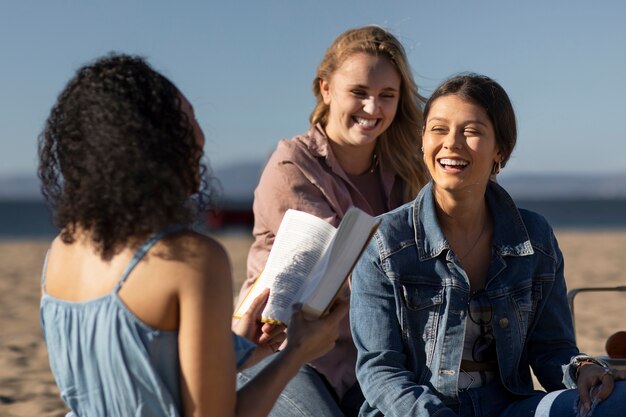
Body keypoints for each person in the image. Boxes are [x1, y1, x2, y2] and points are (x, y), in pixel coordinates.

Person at [38, 53, 348, 417]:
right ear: (148, 144)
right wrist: (297, 352)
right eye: (184, 117)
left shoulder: (61, 250)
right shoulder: (191, 260)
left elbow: (132, 374)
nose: (199, 129)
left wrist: (236, 350)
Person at [349, 73, 626, 417]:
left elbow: (551, 350)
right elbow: (380, 371)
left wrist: (583, 370)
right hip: (419, 412)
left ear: (500, 150)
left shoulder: (534, 238)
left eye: (472, 131)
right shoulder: (385, 241)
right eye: (438, 129)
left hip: (509, 408)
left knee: (619, 398)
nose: (452, 143)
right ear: (422, 142)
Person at [236, 25, 429, 417]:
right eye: (358, 93)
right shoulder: (292, 165)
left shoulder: (405, 170)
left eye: (386, 96)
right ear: (325, 89)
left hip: (371, 357)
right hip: (287, 353)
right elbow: (336, 274)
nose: (372, 109)